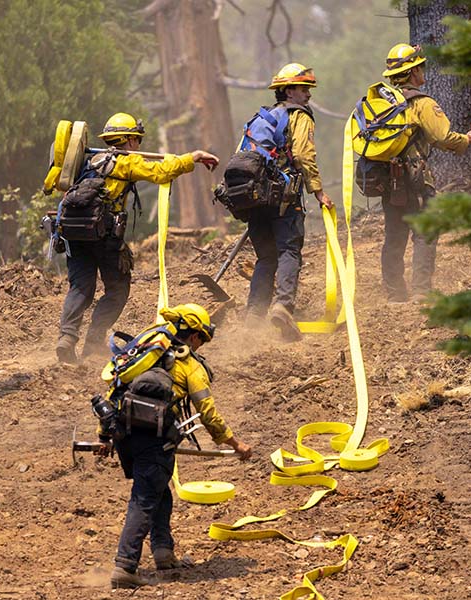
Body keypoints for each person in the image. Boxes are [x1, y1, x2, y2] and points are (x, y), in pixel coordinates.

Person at [100, 303, 252, 589]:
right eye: (203, 339)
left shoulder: (144, 354)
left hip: (125, 437)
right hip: (155, 442)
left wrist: (103, 436)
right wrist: (235, 443)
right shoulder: (188, 365)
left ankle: (163, 552)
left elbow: (114, 391)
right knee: (144, 498)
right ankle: (125, 566)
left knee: (159, 489)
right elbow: (208, 413)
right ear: (194, 336)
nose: (202, 345)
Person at [55, 114, 219, 364]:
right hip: (104, 238)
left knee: (80, 288)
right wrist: (193, 157)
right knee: (118, 290)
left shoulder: (86, 162)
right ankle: (94, 340)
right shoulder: (124, 162)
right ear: (130, 140)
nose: (138, 146)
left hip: (74, 235)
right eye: (137, 140)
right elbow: (162, 172)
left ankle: (66, 338)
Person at [378, 43, 471, 303]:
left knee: (394, 234)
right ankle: (421, 291)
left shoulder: (379, 103)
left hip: (387, 179)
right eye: (420, 66)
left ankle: (394, 294)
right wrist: (467, 139)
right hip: (415, 179)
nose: (424, 70)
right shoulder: (422, 103)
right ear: (413, 72)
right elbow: (442, 137)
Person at [244, 63, 334, 341]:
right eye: (303, 88)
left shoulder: (263, 118)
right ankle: (283, 306)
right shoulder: (299, 116)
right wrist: (318, 191)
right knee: (288, 251)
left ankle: (254, 316)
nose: (308, 94)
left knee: (265, 257)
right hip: (284, 197)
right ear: (289, 90)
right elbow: (306, 156)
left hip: (254, 197)